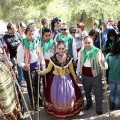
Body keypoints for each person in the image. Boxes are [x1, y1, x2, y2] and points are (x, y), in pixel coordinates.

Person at [37, 40, 84, 119]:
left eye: (62, 48)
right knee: (57, 95)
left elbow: (72, 70)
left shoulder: (68, 58)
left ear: (65, 48)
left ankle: (67, 111)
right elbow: (48, 69)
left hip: (67, 79)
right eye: (59, 48)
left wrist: (75, 78)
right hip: (56, 79)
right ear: (57, 49)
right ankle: (59, 112)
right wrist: (41, 72)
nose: (61, 50)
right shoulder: (53, 58)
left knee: (70, 94)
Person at [76, 36, 108, 115]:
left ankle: (99, 108)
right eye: (85, 43)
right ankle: (89, 103)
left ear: (92, 42)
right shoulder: (81, 52)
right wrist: (78, 73)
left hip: (96, 76)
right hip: (85, 76)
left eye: (89, 42)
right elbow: (79, 64)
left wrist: (103, 64)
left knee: (98, 93)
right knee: (87, 92)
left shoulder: (97, 51)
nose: (87, 44)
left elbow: (105, 66)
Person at [17, 27, 45, 110]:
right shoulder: (22, 45)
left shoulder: (37, 43)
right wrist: (23, 65)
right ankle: (34, 103)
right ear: (26, 34)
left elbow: (40, 56)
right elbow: (19, 60)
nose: (31, 36)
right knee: (31, 86)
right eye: (29, 34)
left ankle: (39, 100)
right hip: (28, 69)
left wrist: (42, 65)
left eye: (32, 34)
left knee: (38, 85)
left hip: (37, 67)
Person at [0, 47, 23, 120]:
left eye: (2, 53)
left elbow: (13, 78)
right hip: (5, 104)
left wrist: (10, 68)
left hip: (12, 99)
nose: (1, 55)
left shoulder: (1, 64)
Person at [3, 22, 26, 87]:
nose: (15, 30)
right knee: (15, 68)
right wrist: (18, 42)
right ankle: (19, 81)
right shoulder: (6, 36)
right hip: (12, 55)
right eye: (13, 29)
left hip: (19, 53)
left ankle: (22, 80)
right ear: (9, 30)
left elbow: (21, 41)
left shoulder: (17, 34)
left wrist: (17, 42)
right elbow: (12, 45)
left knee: (21, 66)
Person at [106, 36, 120, 110]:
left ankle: (111, 106)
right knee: (118, 93)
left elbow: (105, 66)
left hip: (111, 76)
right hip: (118, 78)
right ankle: (117, 106)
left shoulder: (108, 55)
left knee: (112, 92)